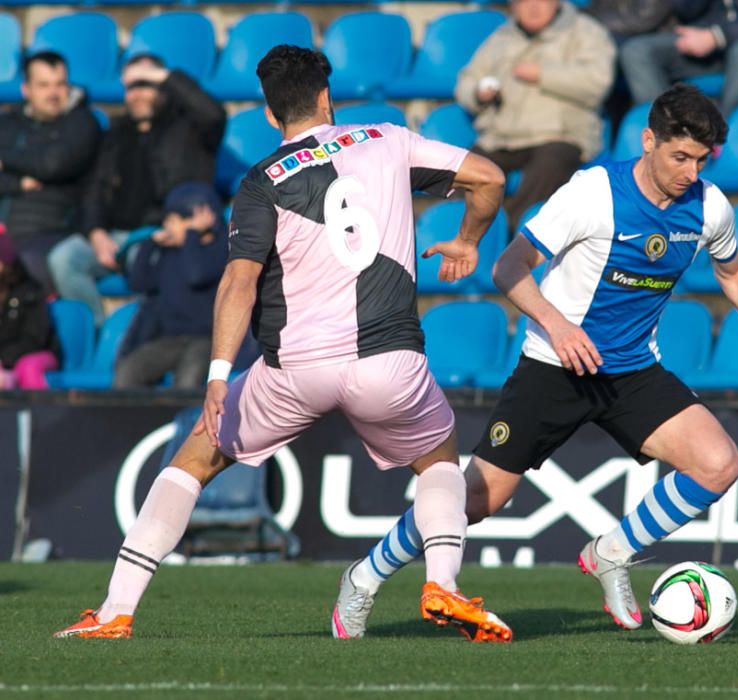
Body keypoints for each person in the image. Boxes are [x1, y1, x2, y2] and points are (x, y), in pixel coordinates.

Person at [331, 84, 738, 639]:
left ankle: (610, 553)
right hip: (553, 367)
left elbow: (733, 272)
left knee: (718, 463)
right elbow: (509, 267)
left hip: (631, 371)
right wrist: (558, 324)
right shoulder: (594, 193)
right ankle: (364, 577)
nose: (690, 171)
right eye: (679, 157)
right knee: (477, 499)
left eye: (701, 160)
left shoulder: (709, 207)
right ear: (648, 141)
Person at [53, 45, 513, 643]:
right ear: (327, 97)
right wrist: (468, 240)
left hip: (296, 368)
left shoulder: (262, 180)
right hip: (389, 362)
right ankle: (444, 585)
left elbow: (239, 281)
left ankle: (115, 611)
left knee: (194, 460)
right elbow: (490, 177)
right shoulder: (389, 137)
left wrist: (219, 374)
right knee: (438, 460)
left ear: (271, 115)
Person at [48, 54, 226, 326]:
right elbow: (94, 188)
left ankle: (141, 332)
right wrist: (95, 232)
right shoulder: (116, 134)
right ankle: (96, 332)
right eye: (131, 87)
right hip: (114, 235)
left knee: (142, 262)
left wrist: (161, 75)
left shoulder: (188, 128)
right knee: (63, 259)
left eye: (145, 84)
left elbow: (213, 114)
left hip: (161, 232)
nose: (137, 94)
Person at [456, 0, 616, 230]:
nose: (532, 7)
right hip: (501, 136)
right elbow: (467, 78)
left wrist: (542, 74)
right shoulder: (501, 37)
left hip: (560, 134)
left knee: (550, 165)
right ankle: (459, 236)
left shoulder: (586, 31)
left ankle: (513, 237)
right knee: (465, 169)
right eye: (523, 1)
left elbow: (598, 82)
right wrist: (478, 93)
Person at [0, 51, 100, 292]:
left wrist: (5, 160)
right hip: (4, 230)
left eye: (60, 84)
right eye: (44, 85)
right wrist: (18, 183)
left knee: (21, 270)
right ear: (26, 90)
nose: (54, 94)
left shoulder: (81, 123)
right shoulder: (7, 124)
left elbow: (53, 165)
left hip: (51, 233)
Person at [113, 182, 228, 389]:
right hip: (169, 339)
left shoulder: (220, 250)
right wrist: (149, 246)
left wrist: (191, 235)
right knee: (127, 373)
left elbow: (197, 275)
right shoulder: (169, 253)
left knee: (187, 382)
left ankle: (184, 422)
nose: (167, 228)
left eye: (174, 221)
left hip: (206, 340)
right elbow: (139, 283)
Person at [620, 0, 738, 115]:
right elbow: (685, 9)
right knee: (637, 51)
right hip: (703, 42)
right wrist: (709, 37)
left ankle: (717, 138)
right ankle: (670, 134)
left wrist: (718, 36)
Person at [0, 232, 58, 390]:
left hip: (35, 353)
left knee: (28, 368)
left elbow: (34, 339)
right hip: (4, 360)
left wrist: (4, 360)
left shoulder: (29, 293)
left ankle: (42, 412)